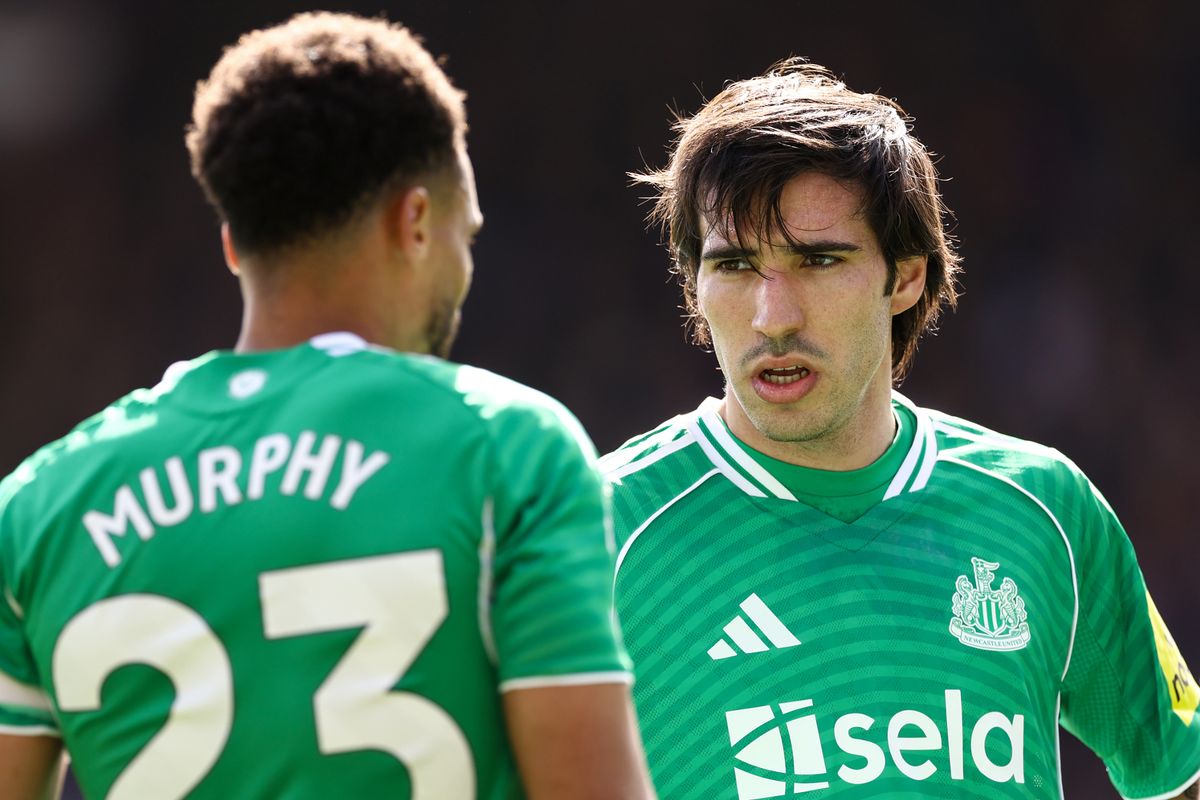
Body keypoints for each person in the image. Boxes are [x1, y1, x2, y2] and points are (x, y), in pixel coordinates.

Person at [0, 12, 654, 800]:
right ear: (415, 221)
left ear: (234, 245)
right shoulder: (509, 447)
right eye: (465, 234)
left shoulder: (34, 510)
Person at [602, 58, 1200, 799]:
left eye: (819, 260)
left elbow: (1176, 771)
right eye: (733, 265)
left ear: (907, 275)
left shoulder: (1046, 511)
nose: (772, 317)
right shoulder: (601, 531)